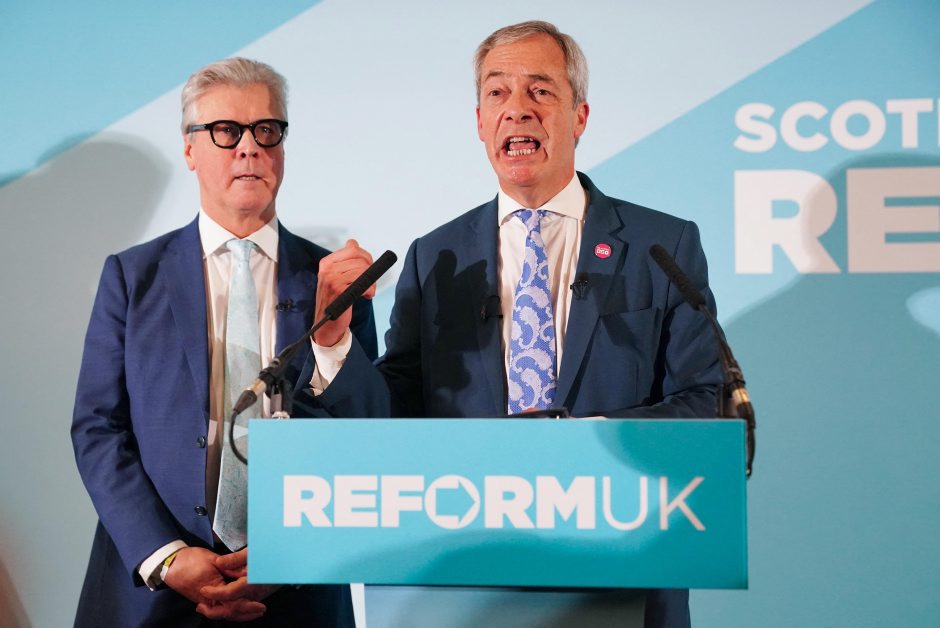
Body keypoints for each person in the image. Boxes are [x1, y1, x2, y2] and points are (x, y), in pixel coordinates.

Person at [307, 21, 721, 628]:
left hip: (622, 570)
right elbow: (393, 414)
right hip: (467, 581)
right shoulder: (435, 257)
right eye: (497, 93)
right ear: (480, 122)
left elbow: (707, 400)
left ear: (580, 116)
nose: (517, 109)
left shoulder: (662, 246)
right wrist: (333, 342)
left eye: (541, 91)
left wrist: (586, 445)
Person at [71, 57, 375, 627]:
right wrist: (168, 556)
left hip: (296, 595)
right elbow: (97, 429)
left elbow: (363, 439)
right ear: (190, 149)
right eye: (226, 131)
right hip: (153, 596)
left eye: (267, 130)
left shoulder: (334, 281)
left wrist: (288, 550)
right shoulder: (132, 277)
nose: (249, 148)